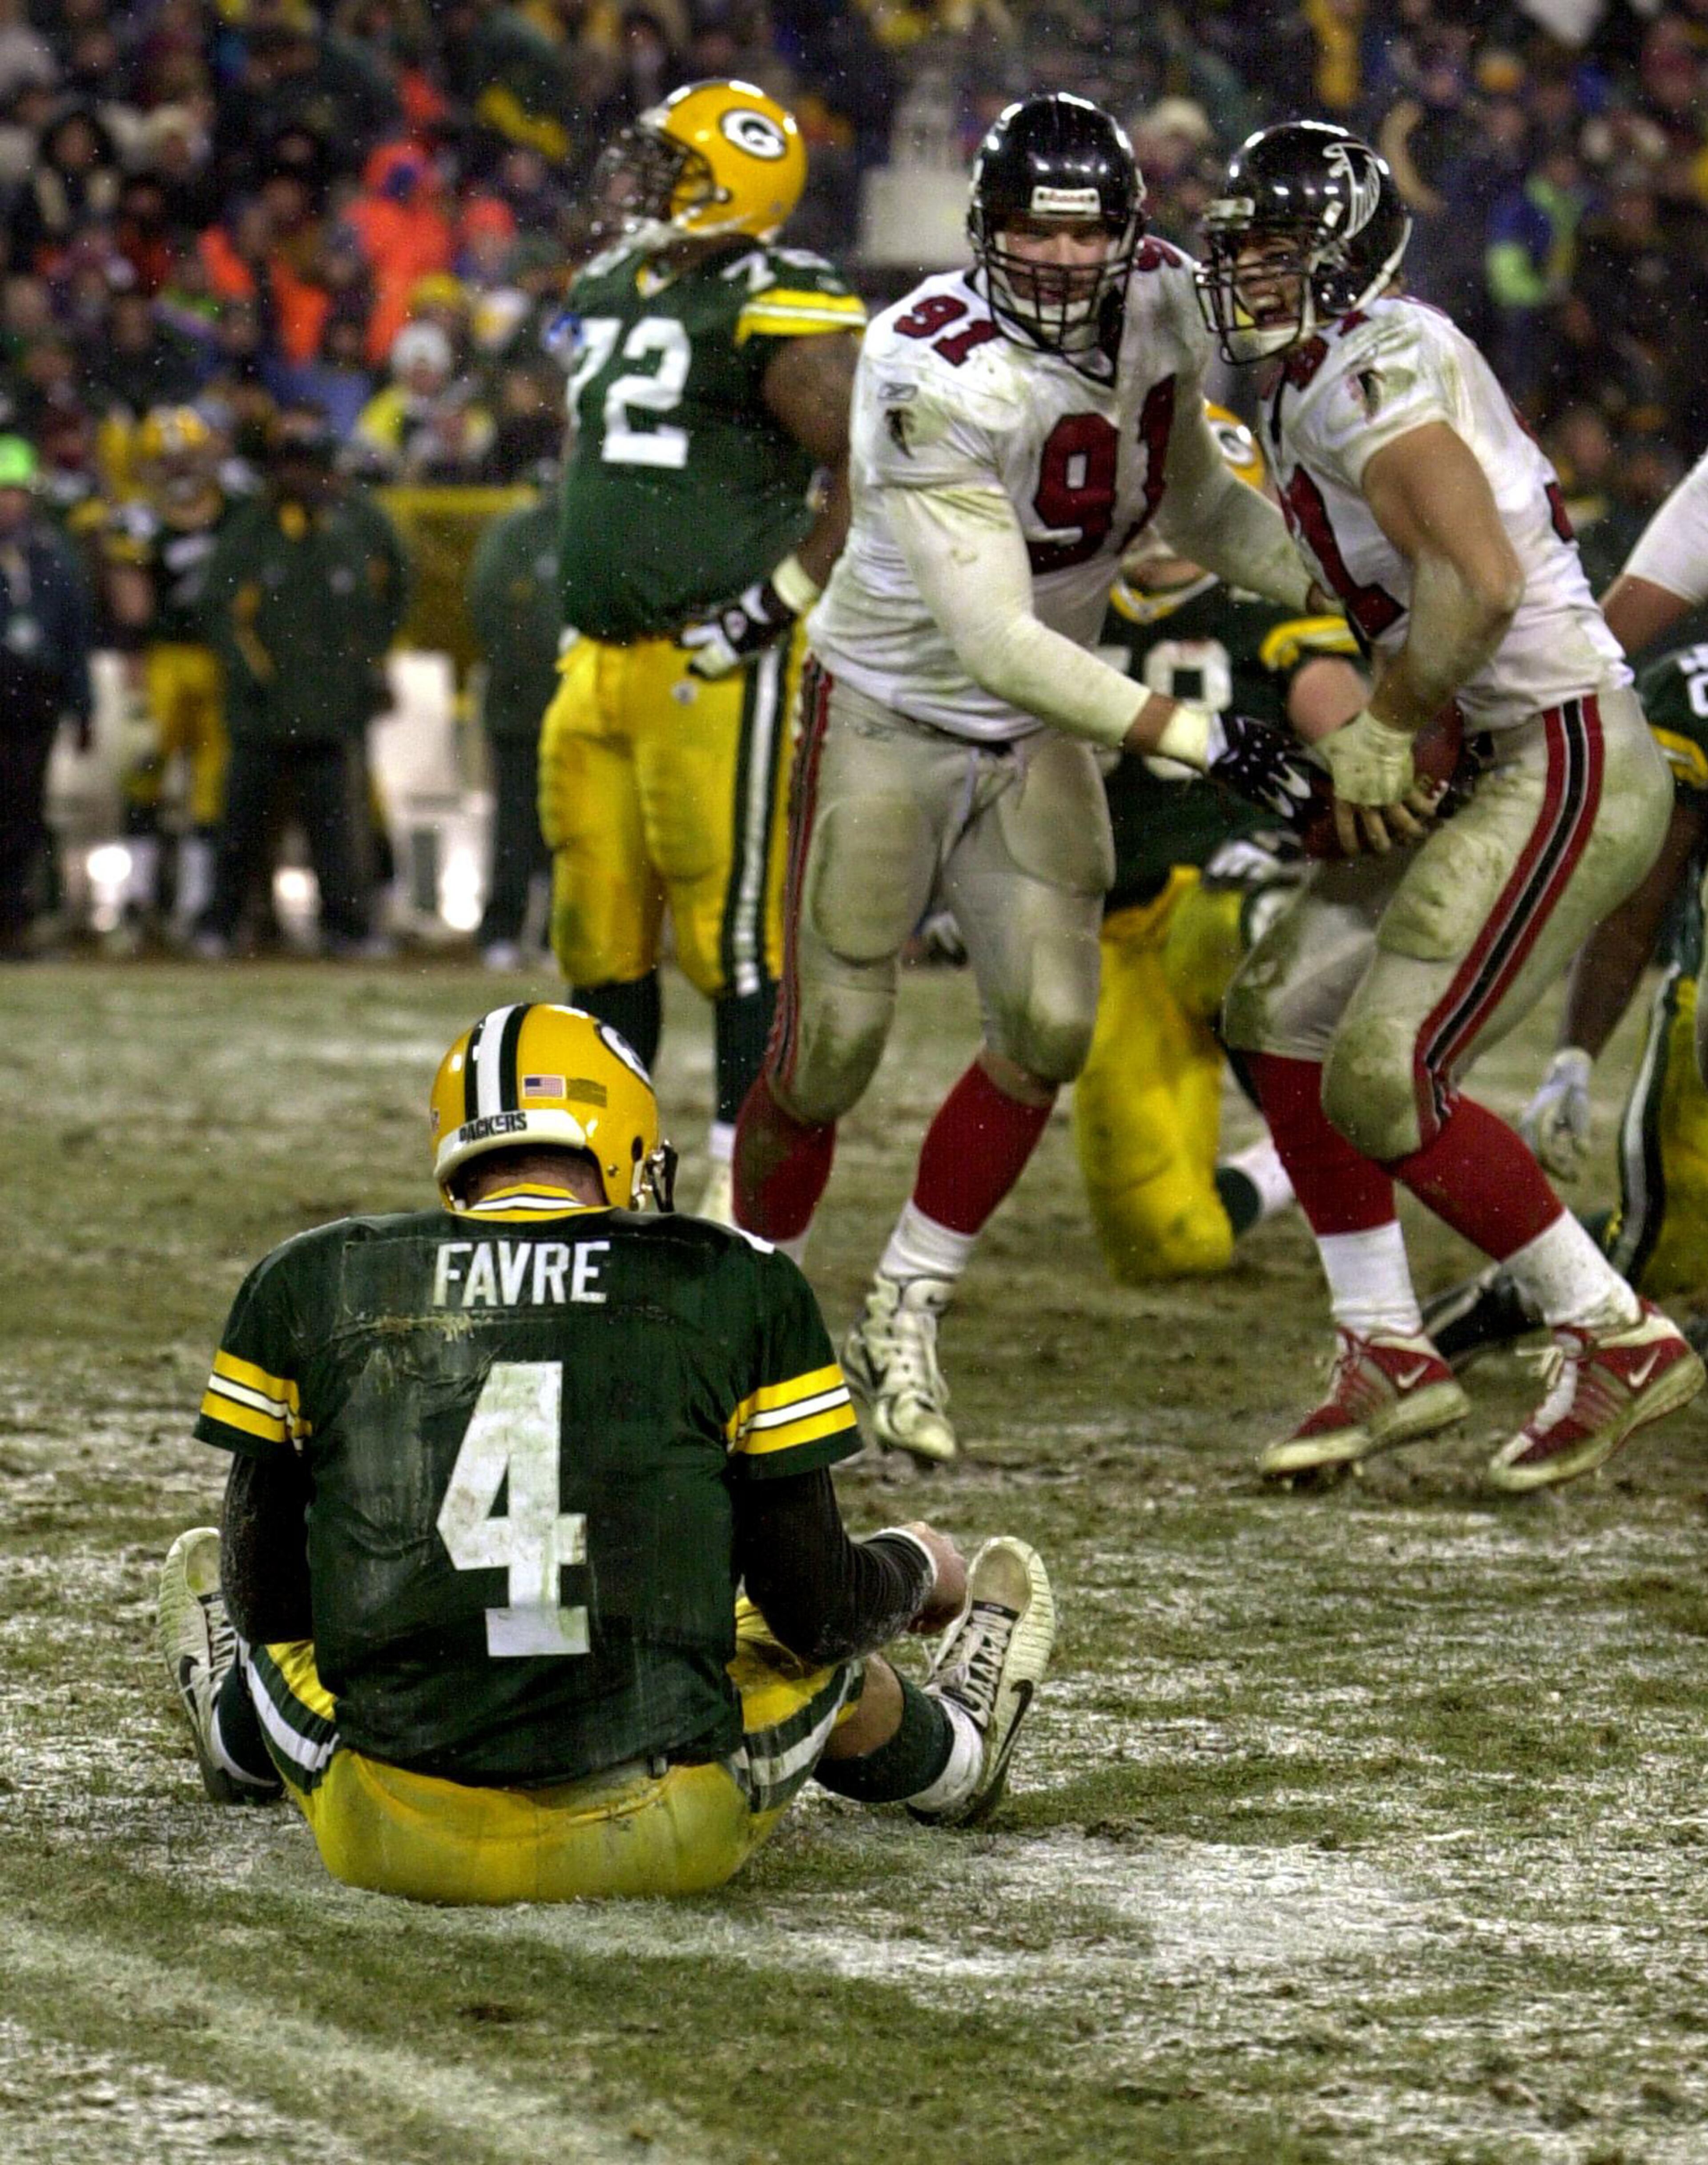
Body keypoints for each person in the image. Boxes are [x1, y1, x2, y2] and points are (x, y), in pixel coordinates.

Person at [731, 93, 1334, 1463]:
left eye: (1084, 235)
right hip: (892, 713)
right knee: (828, 1052)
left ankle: (904, 1305)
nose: (1060, 261)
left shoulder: (1165, 302)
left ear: (1128, 235)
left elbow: (1193, 505)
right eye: (1028, 231)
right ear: (982, 231)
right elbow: (995, 639)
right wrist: (1207, 739)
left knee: (1051, 1026)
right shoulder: (923, 360)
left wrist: (1347, 586)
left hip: (1035, 727)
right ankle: (747, 1297)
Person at [153, 1002, 1055, 1903]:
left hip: (396, 1834)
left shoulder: (314, 1277)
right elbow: (817, 1610)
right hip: (650, 1828)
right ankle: (958, 1758)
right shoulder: (735, 1279)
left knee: (287, 1640)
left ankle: (240, 1749)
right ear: (620, 1136)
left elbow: (266, 1599)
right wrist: (913, 1568)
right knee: (808, 1656)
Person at [1195, 120, 1704, 1493]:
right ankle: (1383, 1343)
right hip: (1481, 748)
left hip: (1554, 747)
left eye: (1272, 247)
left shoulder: (1372, 363)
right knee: (1276, 1010)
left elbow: (1473, 586)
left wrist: (1391, 728)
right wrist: (1400, 742)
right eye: (1235, 243)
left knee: (1382, 1070)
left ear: (1344, 256)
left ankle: (1611, 1332)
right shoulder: (1320, 379)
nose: (1243, 269)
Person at [538, 79, 869, 1222]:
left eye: (669, 168)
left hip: (716, 663)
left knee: (730, 930)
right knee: (595, 917)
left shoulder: (778, 294)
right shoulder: (608, 283)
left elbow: (868, 467)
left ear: (735, 180)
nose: (637, 186)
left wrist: (773, 602)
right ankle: (603, 1160)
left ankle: (742, 1183)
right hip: (601, 656)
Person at [1076, 403, 1367, 1283]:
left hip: (1229, 883)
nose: (1160, 518)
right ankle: (1282, 1166)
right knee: (1161, 1245)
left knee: (1233, 919)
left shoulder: (1258, 599)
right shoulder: (1060, 601)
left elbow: (1343, 725)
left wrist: (1351, 779)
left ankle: (1330, 1118)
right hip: (1115, 930)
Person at [194, 406, 409, 960]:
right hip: (263, 712)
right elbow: (220, 610)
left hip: (333, 712)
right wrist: (254, 676)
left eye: (312, 466)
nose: (303, 478)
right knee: (241, 827)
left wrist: (366, 663)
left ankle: (346, 926)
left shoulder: (356, 527)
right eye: (293, 467)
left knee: (337, 834)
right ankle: (223, 921)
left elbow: (393, 595)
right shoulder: (250, 532)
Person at [101, 405, 241, 945]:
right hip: (164, 657)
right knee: (146, 769)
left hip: (217, 657)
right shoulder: (140, 521)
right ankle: (137, 898)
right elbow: (131, 599)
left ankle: (198, 903)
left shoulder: (234, 509)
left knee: (212, 781)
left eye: (185, 456)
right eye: (165, 460)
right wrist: (134, 673)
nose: (178, 469)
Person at [0, 433, 93, 960]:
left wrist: (84, 707)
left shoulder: (52, 556)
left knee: (24, 814)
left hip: (32, 706)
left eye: (14, 491)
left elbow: (74, 635)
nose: (7, 502)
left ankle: (16, 921)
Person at [466, 472, 560, 970]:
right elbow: (489, 612)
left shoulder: (584, 531)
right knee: (517, 826)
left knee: (569, 829)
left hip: (571, 704)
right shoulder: (515, 536)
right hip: (523, 706)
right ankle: (503, 927)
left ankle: (555, 933)